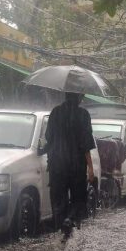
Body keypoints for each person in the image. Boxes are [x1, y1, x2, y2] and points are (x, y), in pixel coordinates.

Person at [44, 92, 94, 240]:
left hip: (56, 163)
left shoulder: (55, 112)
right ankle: (70, 219)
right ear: (79, 98)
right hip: (76, 165)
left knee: (59, 198)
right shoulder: (83, 115)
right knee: (79, 197)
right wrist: (90, 168)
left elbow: (48, 137)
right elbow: (86, 143)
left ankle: (63, 226)